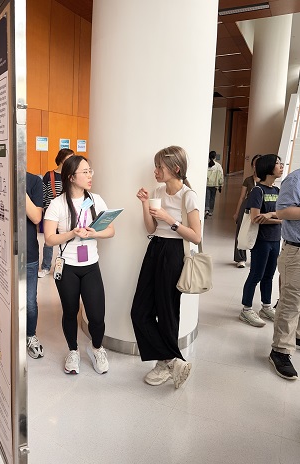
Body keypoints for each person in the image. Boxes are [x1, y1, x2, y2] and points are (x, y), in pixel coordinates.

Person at [130, 146, 203, 388]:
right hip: (155, 249)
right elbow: (151, 229)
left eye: (159, 166)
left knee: (168, 311)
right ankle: (172, 361)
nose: (155, 170)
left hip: (173, 253)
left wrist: (170, 220)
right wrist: (144, 204)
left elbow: (196, 236)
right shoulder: (159, 190)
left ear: (176, 169)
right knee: (139, 311)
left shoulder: (188, 196)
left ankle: (165, 363)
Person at [43, 154, 113, 376]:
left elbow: (111, 231)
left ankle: (97, 348)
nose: (90, 175)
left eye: (90, 170)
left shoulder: (96, 199)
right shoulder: (57, 204)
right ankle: (72, 350)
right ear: (71, 177)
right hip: (68, 268)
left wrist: (96, 232)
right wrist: (71, 233)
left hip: (91, 265)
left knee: (97, 315)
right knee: (70, 312)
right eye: (85, 172)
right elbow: (49, 239)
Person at [263, 154, 300, 380]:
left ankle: (299, 335)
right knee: (291, 301)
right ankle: (280, 350)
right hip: (297, 251)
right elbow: (284, 210)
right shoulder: (296, 179)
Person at [241, 154, 283, 328]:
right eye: (278, 163)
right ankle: (246, 309)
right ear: (268, 168)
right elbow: (255, 218)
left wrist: (271, 215)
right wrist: (280, 219)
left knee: (269, 275)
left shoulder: (278, 191)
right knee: (256, 274)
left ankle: (266, 306)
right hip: (261, 240)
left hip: (275, 239)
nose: (281, 166)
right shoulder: (258, 191)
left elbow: (283, 213)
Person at [22, 170, 49, 360]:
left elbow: (36, 218)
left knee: (30, 301)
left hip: (28, 252)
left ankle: (30, 336)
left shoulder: (33, 182)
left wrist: (17, 187)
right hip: (0, 254)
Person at [44, 148, 74, 271]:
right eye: (69, 157)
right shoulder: (49, 175)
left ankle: (60, 267)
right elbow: (44, 194)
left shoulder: (71, 176)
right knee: (49, 241)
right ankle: (45, 267)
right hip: (52, 212)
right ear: (61, 159)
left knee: (66, 240)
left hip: (68, 212)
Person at [209, 151, 224, 217]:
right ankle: (210, 211)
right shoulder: (218, 166)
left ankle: (206, 209)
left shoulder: (207, 165)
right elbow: (221, 176)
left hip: (207, 184)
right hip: (214, 185)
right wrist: (221, 184)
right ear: (215, 157)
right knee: (212, 198)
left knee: (207, 197)